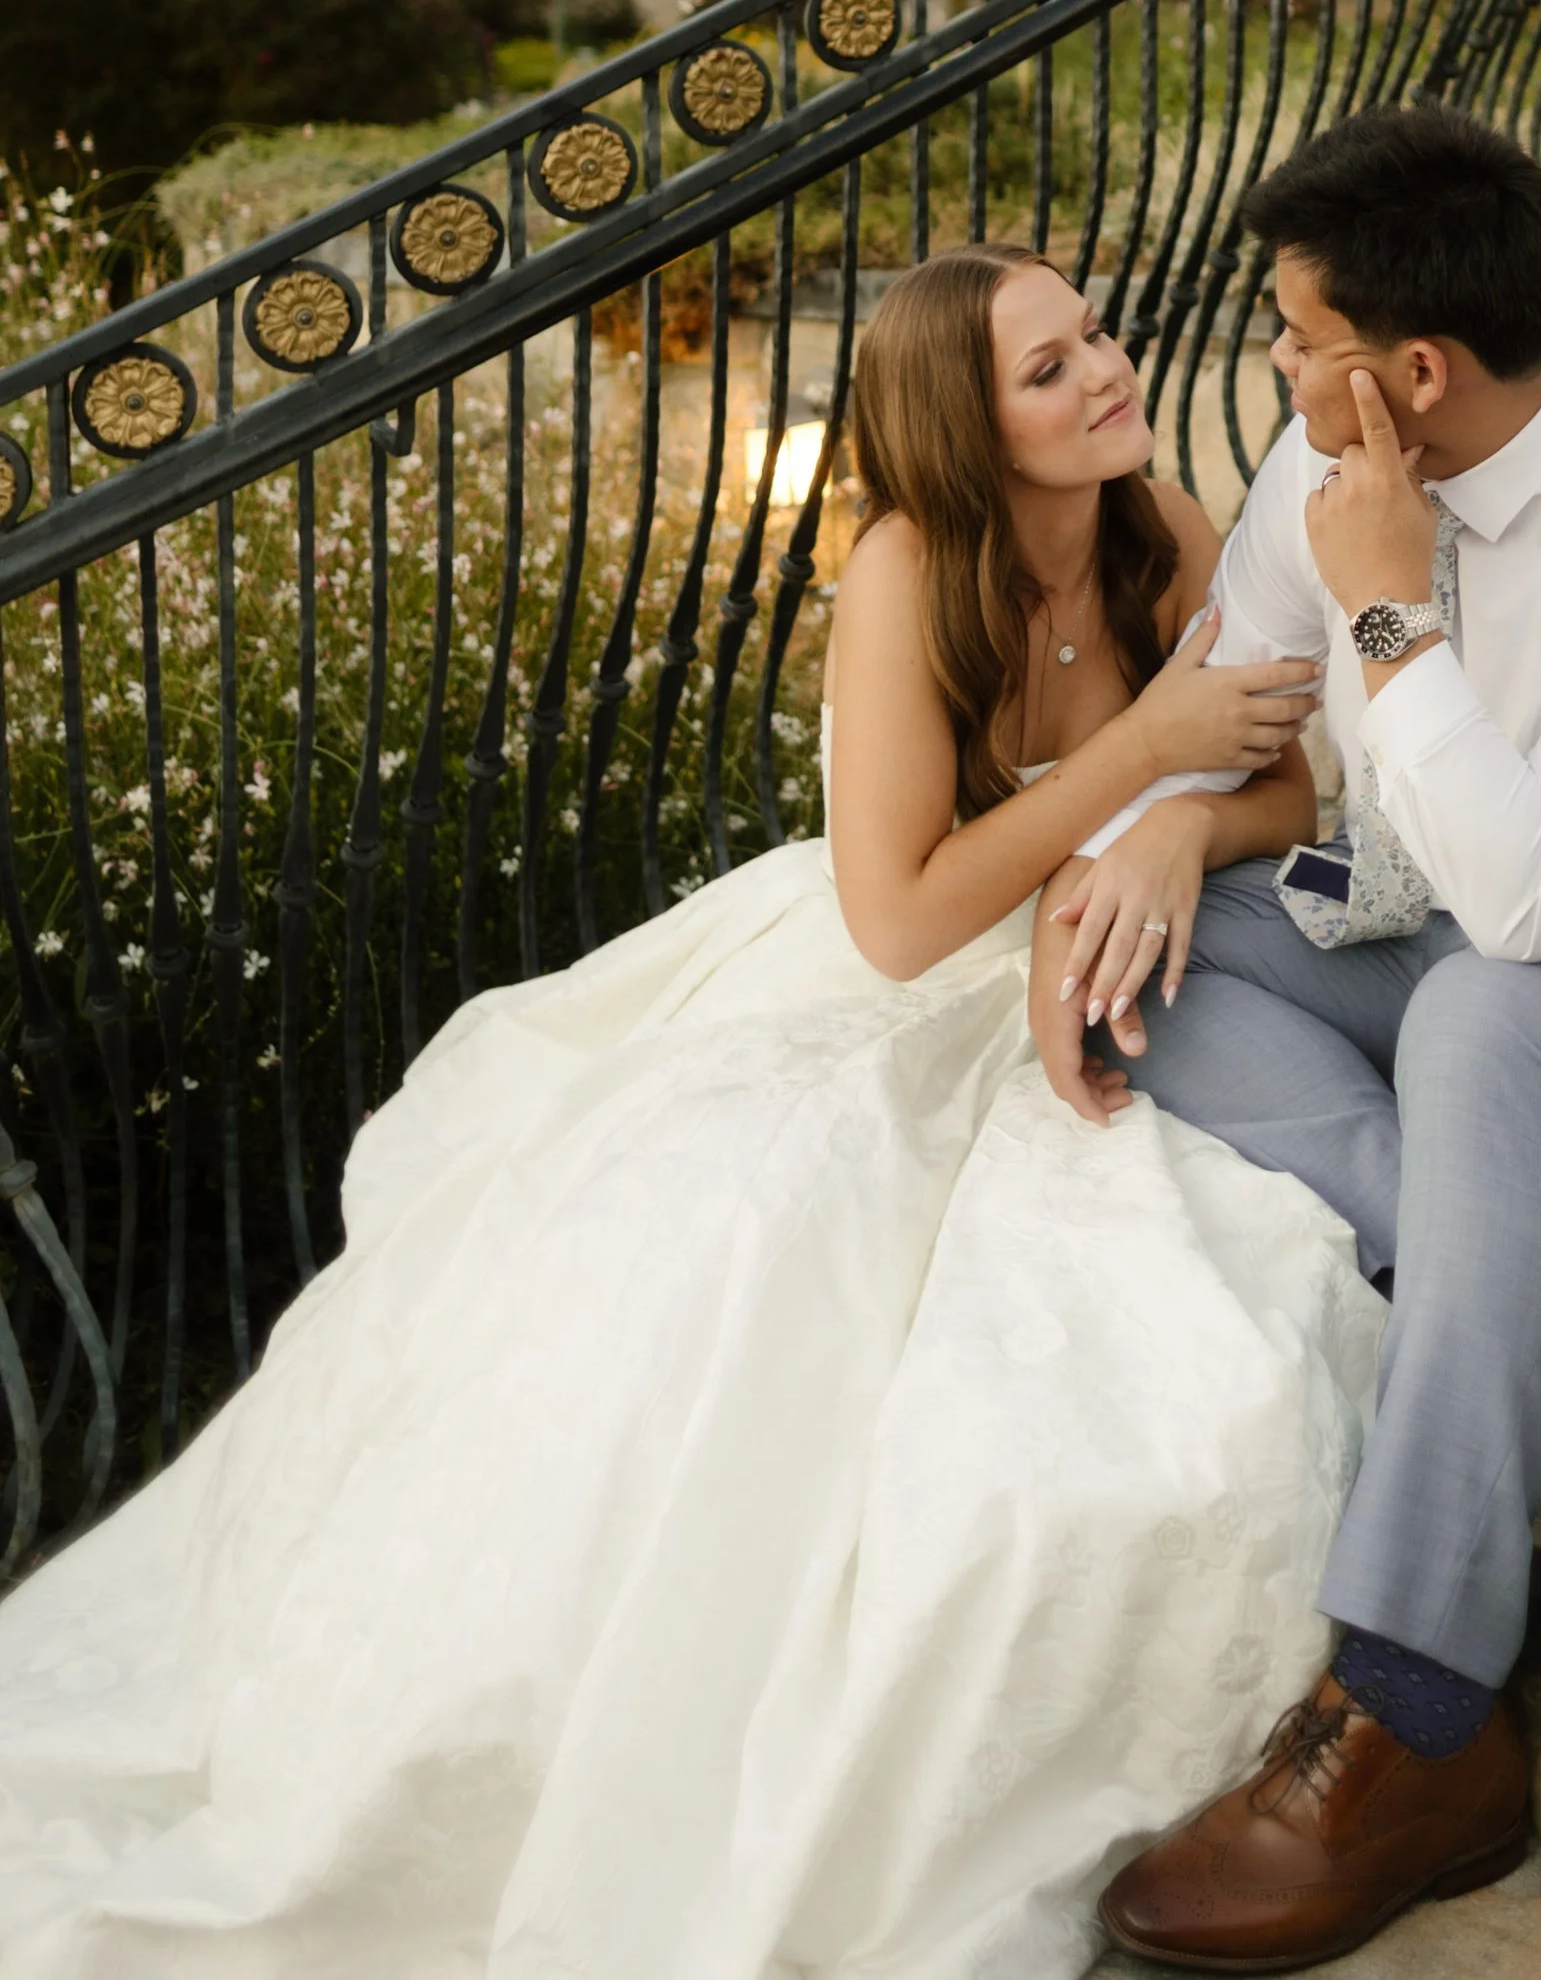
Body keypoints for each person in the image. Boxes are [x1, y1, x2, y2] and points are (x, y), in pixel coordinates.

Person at [0, 245, 1379, 1980]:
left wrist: (1173, 823)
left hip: (1101, 945)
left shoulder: (1159, 522)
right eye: (1051, 365)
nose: (1106, 368)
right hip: (906, 976)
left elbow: (1286, 775)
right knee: (738, 1248)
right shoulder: (902, 570)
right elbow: (896, 921)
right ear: (969, 423)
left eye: (1095, 331)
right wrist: (1134, 757)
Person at [1034, 103, 1541, 1974]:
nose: (1268, 363)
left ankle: (1418, 1714)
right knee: (1131, 944)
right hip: (1420, 914)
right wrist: (1154, 828)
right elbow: (1234, 703)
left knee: (1492, 1012)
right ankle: (1529, 1298)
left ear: (1408, 373)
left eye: (1292, 336)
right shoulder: (1321, 456)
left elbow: (1540, 906)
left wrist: (1389, 602)